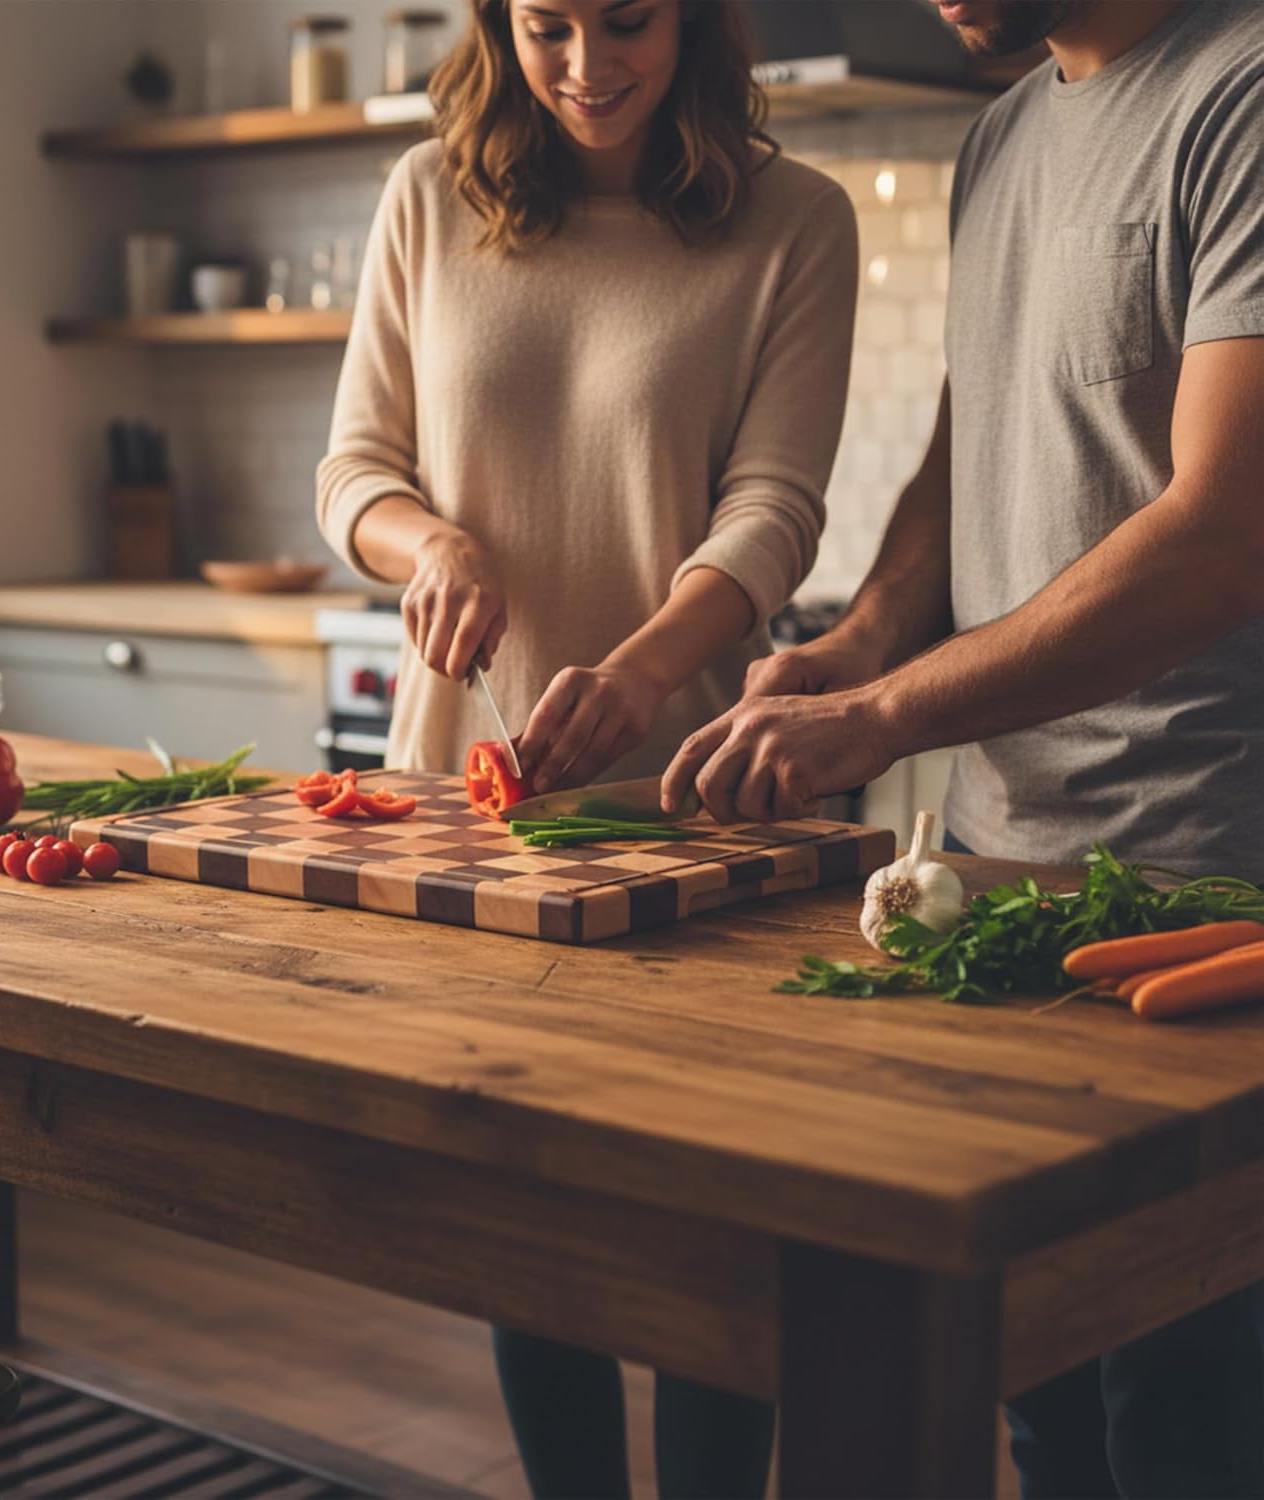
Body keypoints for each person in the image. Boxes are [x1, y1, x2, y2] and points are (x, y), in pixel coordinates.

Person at [663, 2, 1264, 1495]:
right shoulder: (999, 135)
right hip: (1008, 884)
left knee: (1186, 1424)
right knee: (1042, 1407)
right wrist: (862, 643)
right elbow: (965, 441)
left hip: (1211, 890)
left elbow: (1226, 530)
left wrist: (881, 714)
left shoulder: (1245, 91)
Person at [316, 3, 856, 1492]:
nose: (586, 66)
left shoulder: (792, 220)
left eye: (627, 23)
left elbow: (775, 507)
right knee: (524, 1220)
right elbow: (353, 468)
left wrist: (645, 667)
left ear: (696, 21)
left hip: (693, 801)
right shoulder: (432, 195)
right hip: (465, 805)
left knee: (704, 1242)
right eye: (545, 24)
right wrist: (431, 541)